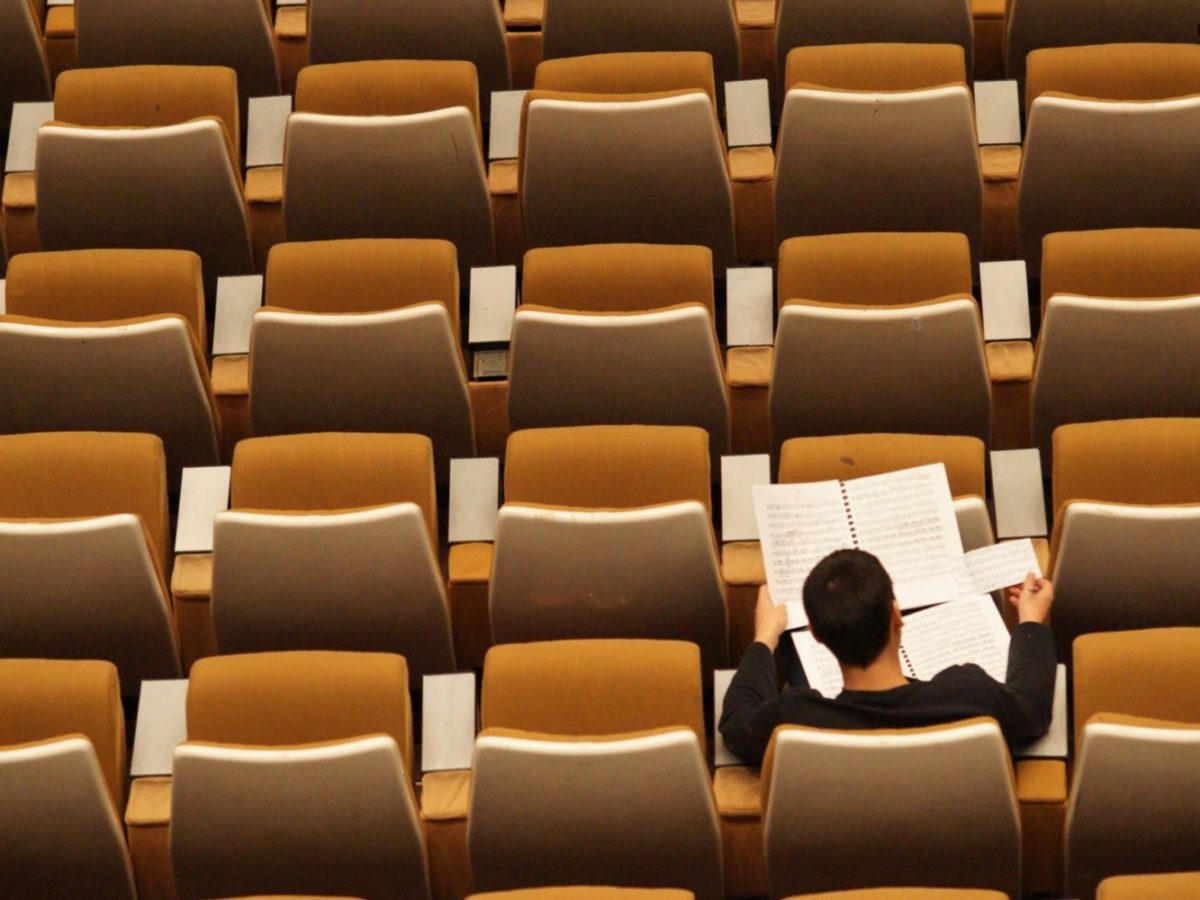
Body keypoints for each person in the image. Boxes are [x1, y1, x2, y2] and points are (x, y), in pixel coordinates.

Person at [719, 548, 1057, 764]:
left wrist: (764, 636)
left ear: (817, 635)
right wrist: (1030, 621)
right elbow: (1032, 708)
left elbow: (735, 724)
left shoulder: (796, 720)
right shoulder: (970, 695)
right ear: (896, 616)